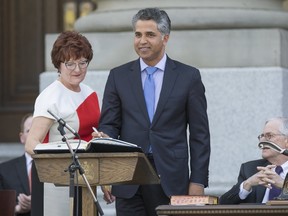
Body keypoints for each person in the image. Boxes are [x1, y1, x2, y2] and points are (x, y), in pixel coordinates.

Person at [94, 7, 211, 216]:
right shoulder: (118, 76)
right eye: (137, 34)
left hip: (171, 180)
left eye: (150, 34)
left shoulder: (188, 77)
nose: (142, 41)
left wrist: (198, 181)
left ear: (165, 38)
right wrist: (107, 173)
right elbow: (109, 125)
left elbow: (200, 135)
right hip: (127, 178)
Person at [25, 31, 100, 215]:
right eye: (70, 63)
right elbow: (31, 144)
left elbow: (90, 135)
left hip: (86, 176)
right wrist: (61, 155)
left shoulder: (90, 93)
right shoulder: (50, 97)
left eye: (83, 62)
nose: (77, 69)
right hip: (55, 180)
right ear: (59, 64)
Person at [219, 117, 288, 204]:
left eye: (269, 136)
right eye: (261, 136)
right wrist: (247, 184)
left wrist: (284, 185)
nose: (262, 141)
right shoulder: (250, 169)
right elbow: (223, 203)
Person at [0, 113, 33, 216]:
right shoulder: (4, 170)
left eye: (38, 130)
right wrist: (17, 208)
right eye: (29, 131)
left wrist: (37, 200)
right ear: (22, 137)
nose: (34, 135)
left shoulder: (58, 169)